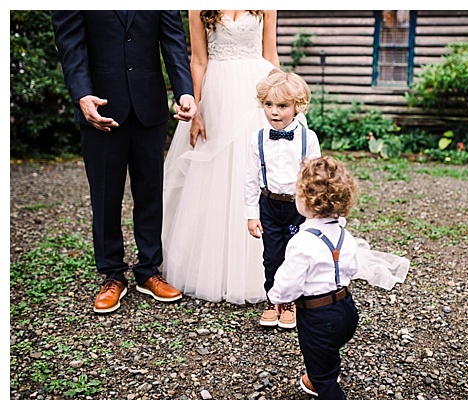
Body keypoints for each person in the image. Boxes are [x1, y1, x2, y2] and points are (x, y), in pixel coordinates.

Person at [52, 11, 194, 313]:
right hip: (99, 107)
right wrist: (81, 95)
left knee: (151, 192)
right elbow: (71, 44)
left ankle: (149, 270)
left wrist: (185, 91)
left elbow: (172, 40)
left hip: (149, 107)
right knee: (105, 194)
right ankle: (112, 274)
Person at [161, 10, 283, 306]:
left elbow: (271, 55)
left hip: (255, 94)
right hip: (217, 95)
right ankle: (213, 265)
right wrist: (197, 111)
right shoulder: (198, 8)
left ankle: (262, 267)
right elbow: (199, 60)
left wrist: (280, 100)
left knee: (254, 171)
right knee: (212, 175)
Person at [267, 156, 362, 399]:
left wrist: (277, 297)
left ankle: (325, 384)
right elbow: (351, 268)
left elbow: (290, 280)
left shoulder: (302, 242)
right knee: (329, 348)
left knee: (323, 376)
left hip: (318, 317)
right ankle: (326, 370)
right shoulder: (345, 236)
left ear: (307, 203)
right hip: (346, 310)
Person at [246, 69, 323, 328]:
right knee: (272, 256)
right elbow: (251, 178)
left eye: (282, 106)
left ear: (297, 107)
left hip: (297, 207)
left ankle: (291, 300)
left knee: (296, 254)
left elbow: (314, 178)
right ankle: (273, 299)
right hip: (268, 204)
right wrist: (251, 213)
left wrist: (314, 212)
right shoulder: (257, 139)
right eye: (268, 105)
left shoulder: (308, 138)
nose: (274, 112)